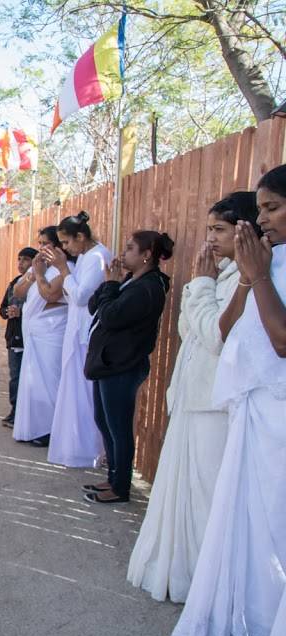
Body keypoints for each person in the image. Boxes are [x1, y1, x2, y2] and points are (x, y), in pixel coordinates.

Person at [163, 165, 286, 636]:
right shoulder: (268, 261)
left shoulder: (260, 267)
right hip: (253, 415)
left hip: (274, 416)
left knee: (271, 537)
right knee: (250, 535)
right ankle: (248, 630)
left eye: (272, 209)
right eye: (259, 211)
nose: (262, 222)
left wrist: (254, 278)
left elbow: (280, 341)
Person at [127, 192, 253, 603]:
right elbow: (189, 326)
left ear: (245, 229)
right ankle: (179, 573)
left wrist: (201, 284)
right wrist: (203, 286)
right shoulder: (223, 273)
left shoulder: (247, 278)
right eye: (209, 230)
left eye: (219, 230)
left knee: (204, 497)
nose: (211, 239)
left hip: (213, 404)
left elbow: (215, 334)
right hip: (193, 395)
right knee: (185, 490)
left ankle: (200, 581)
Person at [82, 230, 175, 504]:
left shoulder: (148, 288)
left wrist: (109, 287)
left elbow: (110, 316)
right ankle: (113, 478)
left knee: (118, 426)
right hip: (108, 364)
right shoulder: (130, 281)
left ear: (147, 255)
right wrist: (108, 285)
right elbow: (93, 307)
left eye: (130, 248)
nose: (123, 253)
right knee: (105, 422)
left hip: (122, 366)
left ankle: (120, 487)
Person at [44, 212, 112, 468]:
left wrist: (63, 270)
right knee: (74, 394)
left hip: (86, 337)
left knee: (84, 397)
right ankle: (75, 449)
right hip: (77, 333)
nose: (65, 248)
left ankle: (88, 451)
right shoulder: (86, 257)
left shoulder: (97, 257)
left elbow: (82, 296)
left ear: (80, 236)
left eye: (67, 242)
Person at [12, 227, 68, 447]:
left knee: (51, 381)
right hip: (33, 331)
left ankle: (52, 429)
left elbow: (50, 294)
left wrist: (40, 274)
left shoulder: (66, 270)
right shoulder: (38, 266)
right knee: (33, 382)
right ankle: (35, 426)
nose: (41, 248)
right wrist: (33, 274)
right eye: (40, 243)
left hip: (53, 332)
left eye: (46, 243)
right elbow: (18, 291)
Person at [0, 247, 38, 427]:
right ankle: (15, 410)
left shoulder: (38, 285)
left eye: (26, 260)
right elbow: (2, 309)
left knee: (29, 378)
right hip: (14, 337)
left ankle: (26, 414)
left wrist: (21, 312)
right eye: (19, 259)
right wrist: (9, 311)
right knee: (15, 376)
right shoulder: (14, 283)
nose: (21, 263)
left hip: (29, 337)